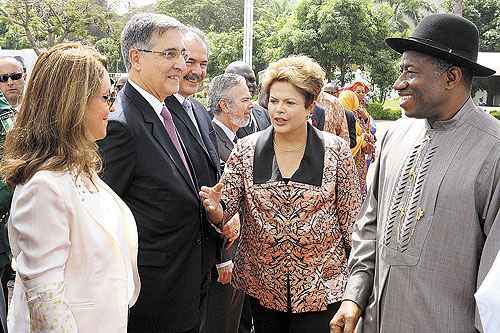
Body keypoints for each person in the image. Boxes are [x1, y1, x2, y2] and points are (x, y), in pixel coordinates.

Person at [331, 14, 500, 333]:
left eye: (410, 72)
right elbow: (370, 225)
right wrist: (353, 297)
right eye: (400, 71)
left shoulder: (494, 151)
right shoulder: (396, 136)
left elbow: (496, 283)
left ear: (452, 76)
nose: (398, 83)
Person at [201, 55, 361, 333]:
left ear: (310, 105)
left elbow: (352, 223)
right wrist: (215, 208)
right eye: (274, 101)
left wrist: (356, 290)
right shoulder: (247, 149)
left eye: (289, 103)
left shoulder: (335, 151)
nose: (279, 111)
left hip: (322, 289)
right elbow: (226, 204)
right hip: (264, 289)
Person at [1, 42, 139, 333]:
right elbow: (46, 303)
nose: (112, 106)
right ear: (73, 104)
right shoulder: (43, 187)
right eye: (105, 96)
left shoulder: (80, 169)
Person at [98, 13, 214, 333]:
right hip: (153, 301)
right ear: (137, 58)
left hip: (188, 287)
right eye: (170, 54)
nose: (181, 64)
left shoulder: (167, 111)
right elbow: (104, 221)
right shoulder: (121, 125)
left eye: (182, 54)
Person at [164, 26, 231, 333]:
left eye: (203, 64)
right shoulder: (160, 114)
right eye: (190, 61)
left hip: (204, 255)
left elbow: (212, 175)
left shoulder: (199, 112)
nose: (196, 71)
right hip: (171, 266)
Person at [206, 73, 254, 333]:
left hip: (242, 255)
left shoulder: (239, 140)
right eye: (245, 99)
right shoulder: (210, 140)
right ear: (225, 105)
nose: (253, 104)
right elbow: (211, 201)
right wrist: (224, 257)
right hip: (226, 256)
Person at [338, 90, 373, 196]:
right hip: (351, 156)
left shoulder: (354, 114)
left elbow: (366, 129)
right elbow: (348, 140)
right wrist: (363, 137)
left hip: (356, 155)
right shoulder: (347, 116)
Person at [225, 61, 271, 138]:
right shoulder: (217, 116)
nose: (249, 84)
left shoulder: (264, 113)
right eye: (242, 80)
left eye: (252, 80)